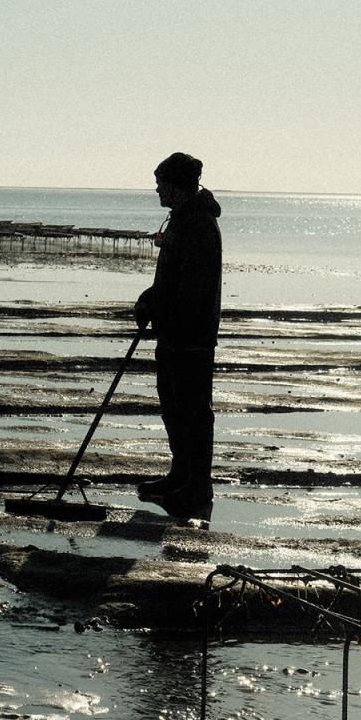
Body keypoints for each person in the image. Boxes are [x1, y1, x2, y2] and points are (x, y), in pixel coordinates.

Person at [134, 152, 222, 509]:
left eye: (161, 184)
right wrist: (149, 299)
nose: (157, 190)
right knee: (172, 406)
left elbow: (192, 286)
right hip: (173, 332)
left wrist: (160, 308)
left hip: (191, 335)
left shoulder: (197, 224)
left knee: (193, 411)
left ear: (176, 186)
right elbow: (172, 278)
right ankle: (181, 473)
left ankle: (198, 483)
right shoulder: (181, 220)